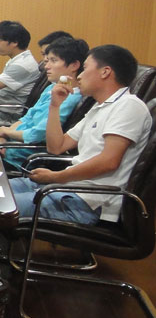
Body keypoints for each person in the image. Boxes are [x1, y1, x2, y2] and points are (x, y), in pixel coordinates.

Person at [10, 45, 152, 225]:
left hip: (85, 202)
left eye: (85, 69)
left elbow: (109, 161)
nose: (79, 76)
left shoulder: (129, 106)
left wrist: (55, 177)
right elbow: (56, 147)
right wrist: (55, 106)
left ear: (105, 72)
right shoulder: (100, 107)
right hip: (63, 187)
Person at [0, 37, 87, 170]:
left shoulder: (71, 98)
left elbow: (38, 134)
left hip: (20, 159)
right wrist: (3, 137)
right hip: (8, 147)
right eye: (47, 60)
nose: (46, 66)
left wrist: (6, 133)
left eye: (54, 60)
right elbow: (28, 117)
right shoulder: (52, 87)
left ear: (74, 65)